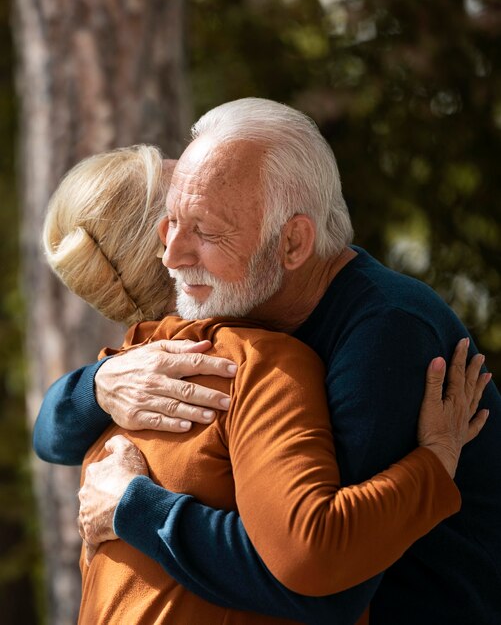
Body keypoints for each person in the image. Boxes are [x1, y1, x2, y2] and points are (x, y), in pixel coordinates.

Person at [34, 99, 500, 625]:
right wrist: (96, 386)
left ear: (293, 242)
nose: (173, 255)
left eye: (205, 231)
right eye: (171, 224)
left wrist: (133, 508)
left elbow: (324, 585)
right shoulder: (204, 336)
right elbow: (50, 434)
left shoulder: (383, 334)